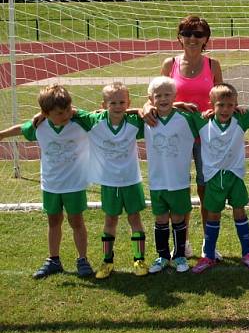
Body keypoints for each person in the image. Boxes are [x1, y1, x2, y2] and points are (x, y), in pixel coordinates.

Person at [0, 85, 94, 279]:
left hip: (74, 185)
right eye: (60, 113)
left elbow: (98, 115)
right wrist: (1, 135)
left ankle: (82, 260)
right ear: (46, 113)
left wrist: (74, 111)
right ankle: (53, 260)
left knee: (76, 221)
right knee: (54, 221)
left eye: (69, 109)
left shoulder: (80, 122)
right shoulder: (39, 126)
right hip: (51, 184)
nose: (66, 114)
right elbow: (21, 129)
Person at [160, 15, 223, 258]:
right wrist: (176, 105)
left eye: (198, 34)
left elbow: (223, 98)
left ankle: (210, 243)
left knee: (206, 189)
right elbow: (157, 97)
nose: (192, 39)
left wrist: (215, 109)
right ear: (179, 37)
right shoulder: (170, 64)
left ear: (206, 38)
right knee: (180, 189)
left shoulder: (212, 65)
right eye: (187, 33)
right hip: (176, 137)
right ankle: (182, 243)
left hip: (206, 137)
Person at [192, 83, 249, 273]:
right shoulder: (201, 121)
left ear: (236, 105)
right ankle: (208, 255)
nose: (225, 109)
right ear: (211, 104)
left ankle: (247, 253)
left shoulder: (240, 120)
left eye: (230, 105)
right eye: (220, 105)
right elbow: (175, 111)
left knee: (239, 211)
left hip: (235, 176)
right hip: (213, 178)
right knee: (213, 214)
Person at [87, 82, 148, 279]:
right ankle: (107, 261)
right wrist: (41, 115)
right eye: (112, 102)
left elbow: (152, 110)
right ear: (103, 104)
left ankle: (139, 259)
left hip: (131, 180)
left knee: (134, 218)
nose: (118, 106)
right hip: (109, 182)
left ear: (128, 103)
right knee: (110, 220)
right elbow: (69, 112)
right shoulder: (94, 121)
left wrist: (137, 109)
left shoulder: (134, 121)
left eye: (122, 102)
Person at [144, 76, 201, 274]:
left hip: (178, 181)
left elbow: (209, 121)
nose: (163, 98)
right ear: (150, 98)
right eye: (158, 95)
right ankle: (162, 256)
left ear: (175, 96)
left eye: (167, 94)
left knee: (178, 218)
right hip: (157, 182)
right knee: (160, 220)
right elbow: (116, 115)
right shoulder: (146, 119)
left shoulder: (186, 117)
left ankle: (179, 256)